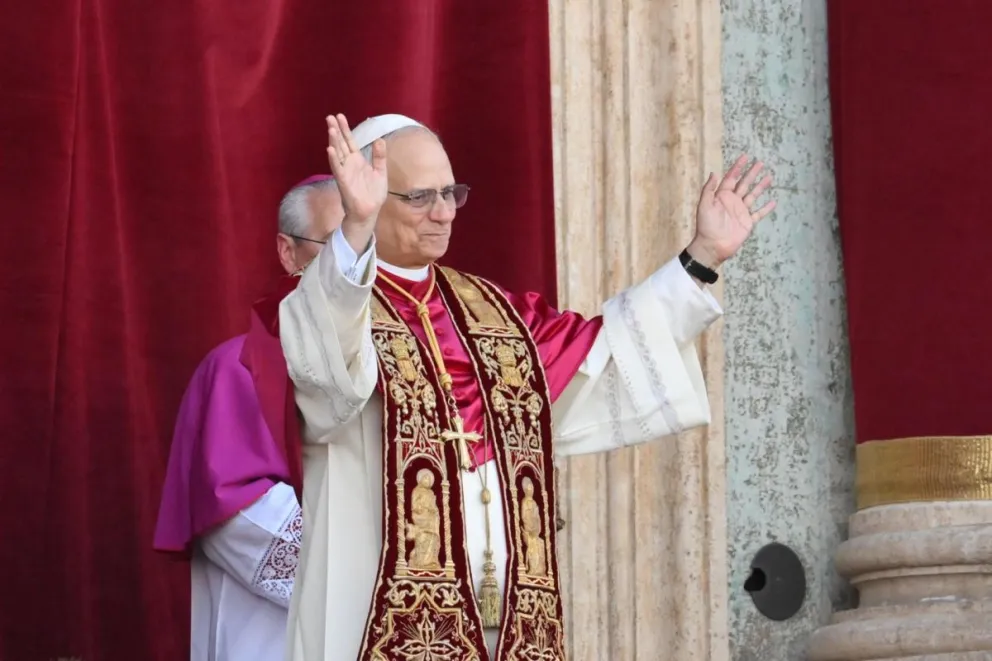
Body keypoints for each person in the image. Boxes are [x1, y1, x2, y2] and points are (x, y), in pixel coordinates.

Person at [278, 113, 776, 661]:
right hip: (374, 614)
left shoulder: (495, 314)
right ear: (370, 196)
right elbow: (326, 378)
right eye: (420, 197)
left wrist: (701, 257)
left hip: (508, 617)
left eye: (451, 193)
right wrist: (354, 229)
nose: (443, 213)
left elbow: (605, 353)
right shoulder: (335, 299)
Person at [153, 175, 344, 661]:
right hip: (271, 637)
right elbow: (237, 513)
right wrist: (364, 569)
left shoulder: (410, 369)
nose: (356, 268)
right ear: (288, 252)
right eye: (339, 243)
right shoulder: (239, 367)